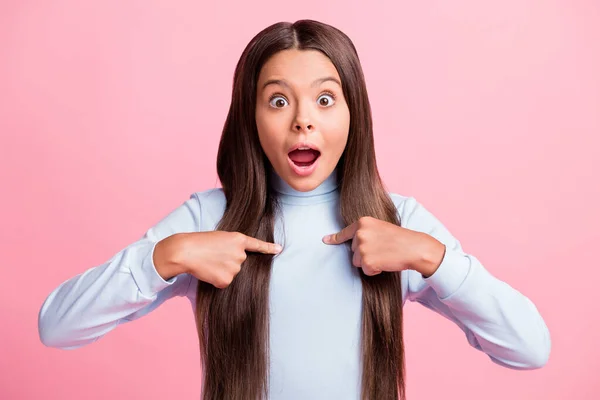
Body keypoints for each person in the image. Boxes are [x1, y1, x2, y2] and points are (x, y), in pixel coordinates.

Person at [37, 19, 551, 400]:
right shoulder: (206, 219)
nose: (303, 121)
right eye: (278, 101)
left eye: (325, 100)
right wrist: (165, 257)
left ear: (355, 113)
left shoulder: (400, 223)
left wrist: (435, 260)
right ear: (251, 116)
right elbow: (57, 327)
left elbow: (529, 349)